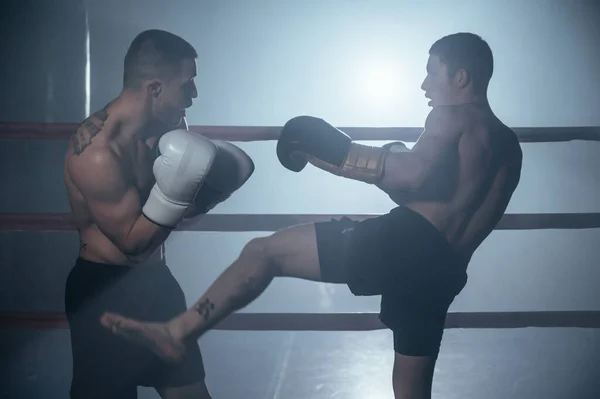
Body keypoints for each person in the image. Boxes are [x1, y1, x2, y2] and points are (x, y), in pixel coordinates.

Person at [100, 32, 523, 398]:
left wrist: (331, 147)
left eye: (433, 72)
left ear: (461, 78)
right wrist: (335, 158)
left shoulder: (451, 115)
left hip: (404, 245)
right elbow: (437, 195)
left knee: (264, 252)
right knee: (412, 393)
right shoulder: (508, 147)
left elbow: (412, 177)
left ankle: (178, 332)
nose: (424, 84)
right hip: (444, 272)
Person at [63, 29, 254, 399]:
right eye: (188, 85)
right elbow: (133, 242)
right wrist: (182, 191)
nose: (194, 96)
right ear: (155, 88)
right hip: (102, 294)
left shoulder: (171, 129)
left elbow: (175, 217)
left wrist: (211, 193)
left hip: (156, 284)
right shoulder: (96, 152)